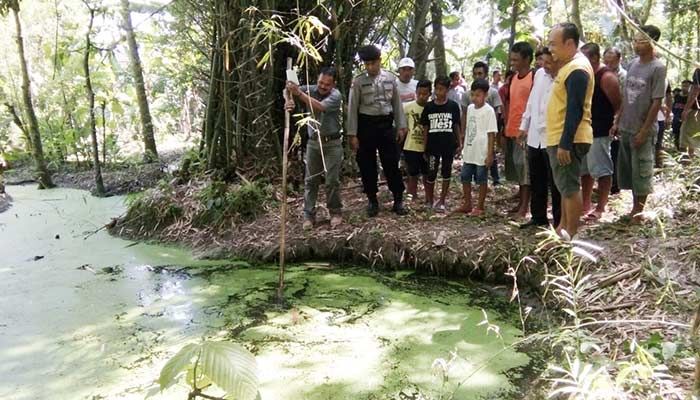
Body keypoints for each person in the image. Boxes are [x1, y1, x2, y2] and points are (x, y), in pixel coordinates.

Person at [611, 25, 667, 222]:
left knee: (642, 169)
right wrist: (618, 121)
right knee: (629, 170)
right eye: (634, 40)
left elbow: (656, 101)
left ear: (652, 42)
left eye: (641, 40)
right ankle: (634, 207)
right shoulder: (633, 64)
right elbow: (626, 96)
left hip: (643, 128)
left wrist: (644, 131)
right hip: (627, 126)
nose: (636, 44)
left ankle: (639, 210)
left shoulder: (658, 68)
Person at [347, 45, 408, 217]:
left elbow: (397, 104)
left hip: (386, 125)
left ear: (379, 61)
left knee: (391, 163)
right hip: (366, 126)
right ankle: (372, 200)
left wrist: (401, 126)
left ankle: (398, 199)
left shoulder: (390, 78)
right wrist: (352, 134)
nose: (370, 67)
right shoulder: (358, 81)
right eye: (366, 64)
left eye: (373, 63)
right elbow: (352, 109)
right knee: (367, 164)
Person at [546, 22, 594, 238]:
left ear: (570, 43)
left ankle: (571, 236)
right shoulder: (568, 66)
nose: (550, 49)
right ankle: (562, 230)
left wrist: (565, 143)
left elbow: (574, 108)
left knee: (570, 187)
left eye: (554, 44)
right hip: (560, 137)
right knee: (564, 187)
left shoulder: (577, 69)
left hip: (569, 139)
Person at [286, 67, 344, 230]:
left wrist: (298, 94)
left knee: (332, 180)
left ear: (333, 84)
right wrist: (288, 99)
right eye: (320, 82)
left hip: (332, 143)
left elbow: (320, 107)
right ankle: (308, 216)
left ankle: (335, 212)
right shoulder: (311, 89)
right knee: (311, 180)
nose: (322, 86)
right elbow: (288, 89)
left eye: (327, 84)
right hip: (313, 143)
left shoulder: (336, 95)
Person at [518, 47, 561, 229]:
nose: (545, 65)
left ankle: (560, 221)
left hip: (552, 136)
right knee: (537, 178)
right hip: (535, 135)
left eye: (549, 62)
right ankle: (538, 217)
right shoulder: (540, 75)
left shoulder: (564, 76)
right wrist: (524, 125)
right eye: (543, 61)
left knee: (556, 182)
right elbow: (531, 101)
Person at [579, 43, 622, 222]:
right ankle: (585, 204)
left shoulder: (607, 77)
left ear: (595, 58)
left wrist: (615, 123)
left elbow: (619, 104)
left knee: (602, 169)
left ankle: (601, 207)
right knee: (585, 170)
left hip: (600, 130)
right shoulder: (585, 75)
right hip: (584, 130)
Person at [455, 79, 497, 216]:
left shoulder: (489, 111)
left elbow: (491, 134)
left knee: (481, 178)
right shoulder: (470, 109)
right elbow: (468, 128)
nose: (474, 98)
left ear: (485, 95)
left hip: (482, 152)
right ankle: (467, 203)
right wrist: (463, 145)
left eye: (478, 95)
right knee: (465, 176)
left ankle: (480, 206)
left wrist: (490, 154)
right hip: (470, 150)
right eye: (473, 94)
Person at [503, 41, 535, 219]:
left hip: (526, 131)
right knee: (518, 168)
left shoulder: (534, 77)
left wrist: (528, 128)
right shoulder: (513, 78)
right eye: (512, 59)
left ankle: (525, 207)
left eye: (516, 59)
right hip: (513, 130)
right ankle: (520, 203)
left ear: (527, 59)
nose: (513, 62)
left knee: (525, 170)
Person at [420, 76, 462, 212]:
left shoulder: (453, 106)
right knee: (431, 173)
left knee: (446, 171)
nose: (439, 92)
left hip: (448, 146)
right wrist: (424, 147)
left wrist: (459, 143)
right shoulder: (429, 107)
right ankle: (430, 200)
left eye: (442, 89)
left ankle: (442, 200)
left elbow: (456, 125)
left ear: (447, 90)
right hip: (433, 147)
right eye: (436, 89)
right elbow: (425, 128)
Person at [461, 61, 502, 185]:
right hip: (471, 142)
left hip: (486, 135)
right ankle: (467, 202)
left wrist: (494, 144)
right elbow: (465, 116)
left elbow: (497, 113)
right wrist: (463, 135)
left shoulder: (493, 94)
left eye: (480, 73)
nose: (477, 76)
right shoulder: (468, 99)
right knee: (466, 175)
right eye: (475, 74)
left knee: (482, 174)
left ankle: (496, 179)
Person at [400, 80, 432, 202]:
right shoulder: (407, 107)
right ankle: (411, 195)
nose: (422, 96)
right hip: (411, 145)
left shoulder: (431, 108)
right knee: (412, 173)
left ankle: (428, 197)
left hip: (427, 146)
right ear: (416, 92)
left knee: (427, 173)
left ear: (430, 94)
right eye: (419, 93)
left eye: (425, 94)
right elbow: (400, 124)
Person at [604, 46, 626, 194]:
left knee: (616, 150)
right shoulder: (602, 73)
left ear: (619, 60)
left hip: (619, 116)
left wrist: (617, 120)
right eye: (606, 61)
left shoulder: (624, 76)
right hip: (603, 116)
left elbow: (625, 99)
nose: (608, 64)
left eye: (611, 62)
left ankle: (616, 183)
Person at [680, 67, 700, 159]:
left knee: (689, 136)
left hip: (696, 111)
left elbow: (696, 89)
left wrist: (686, 109)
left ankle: (689, 162)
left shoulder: (698, 71)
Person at [672, 81, 691, 150]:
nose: (684, 88)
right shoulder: (677, 96)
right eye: (683, 86)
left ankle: (685, 152)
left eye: (686, 86)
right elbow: (674, 106)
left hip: (686, 120)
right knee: (676, 135)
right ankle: (677, 150)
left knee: (685, 136)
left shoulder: (691, 98)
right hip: (676, 119)